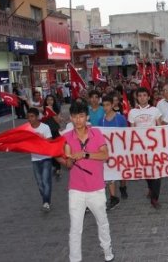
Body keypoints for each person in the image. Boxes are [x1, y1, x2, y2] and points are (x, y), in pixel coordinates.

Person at [61, 102, 114, 262]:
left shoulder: (96, 133)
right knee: (75, 228)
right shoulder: (66, 137)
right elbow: (67, 164)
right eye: (75, 117)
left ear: (87, 117)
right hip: (76, 189)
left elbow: (105, 155)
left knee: (102, 222)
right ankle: (75, 259)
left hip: (96, 188)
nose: (78, 120)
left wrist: (85, 154)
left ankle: (107, 251)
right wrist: (68, 160)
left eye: (81, 116)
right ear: (71, 118)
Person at [127, 87, 163, 209]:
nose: (142, 97)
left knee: (157, 172)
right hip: (140, 147)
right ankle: (150, 188)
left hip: (155, 146)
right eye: (140, 95)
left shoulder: (155, 110)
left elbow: (160, 127)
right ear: (137, 97)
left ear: (148, 97)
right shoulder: (132, 112)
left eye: (144, 95)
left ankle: (155, 198)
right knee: (147, 172)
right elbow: (131, 130)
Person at [98, 95, 128, 210]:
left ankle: (123, 187)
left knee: (121, 173)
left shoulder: (120, 118)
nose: (105, 107)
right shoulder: (102, 121)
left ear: (112, 105)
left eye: (107, 105)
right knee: (109, 174)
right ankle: (113, 197)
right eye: (103, 105)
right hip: (108, 151)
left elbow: (126, 134)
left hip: (120, 150)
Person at [27, 107, 53, 212]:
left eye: (32, 116)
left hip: (46, 157)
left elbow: (50, 140)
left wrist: (38, 141)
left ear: (37, 117)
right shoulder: (27, 129)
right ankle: (46, 198)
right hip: (35, 159)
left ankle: (46, 202)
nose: (30, 119)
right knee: (39, 182)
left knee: (46, 181)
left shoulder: (45, 127)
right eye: (28, 117)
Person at [42, 94, 62, 178]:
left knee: (56, 151)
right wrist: (26, 100)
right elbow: (33, 108)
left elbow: (58, 121)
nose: (49, 101)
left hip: (55, 133)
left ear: (54, 101)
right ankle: (54, 166)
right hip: (47, 134)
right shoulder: (43, 110)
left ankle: (58, 168)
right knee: (50, 152)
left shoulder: (57, 110)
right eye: (48, 100)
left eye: (51, 100)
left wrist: (51, 111)